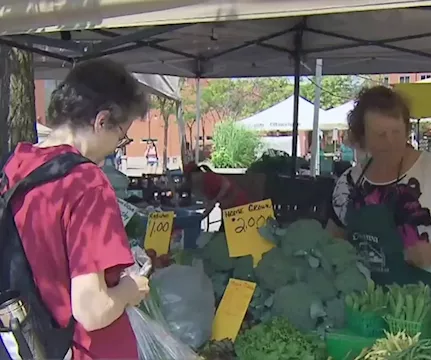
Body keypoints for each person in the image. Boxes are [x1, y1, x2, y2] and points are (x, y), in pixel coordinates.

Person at [1, 59, 150, 359]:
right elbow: (91, 309)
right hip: (82, 350)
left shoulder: (15, 164)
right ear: (101, 120)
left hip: (31, 343)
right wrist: (129, 289)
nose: (116, 147)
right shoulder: (87, 183)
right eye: (121, 137)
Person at [326, 86, 431, 297]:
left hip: (421, 302)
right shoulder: (349, 183)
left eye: (397, 132)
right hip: (362, 304)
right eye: (380, 135)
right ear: (362, 138)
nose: (390, 142)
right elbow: (334, 239)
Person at [182, 161, 250, 217]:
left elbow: (226, 184)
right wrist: (203, 215)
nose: (190, 181)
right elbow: (210, 203)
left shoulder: (209, 177)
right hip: (227, 208)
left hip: (238, 204)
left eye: (189, 178)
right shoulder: (203, 185)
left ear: (196, 173)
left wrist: (216, 199)